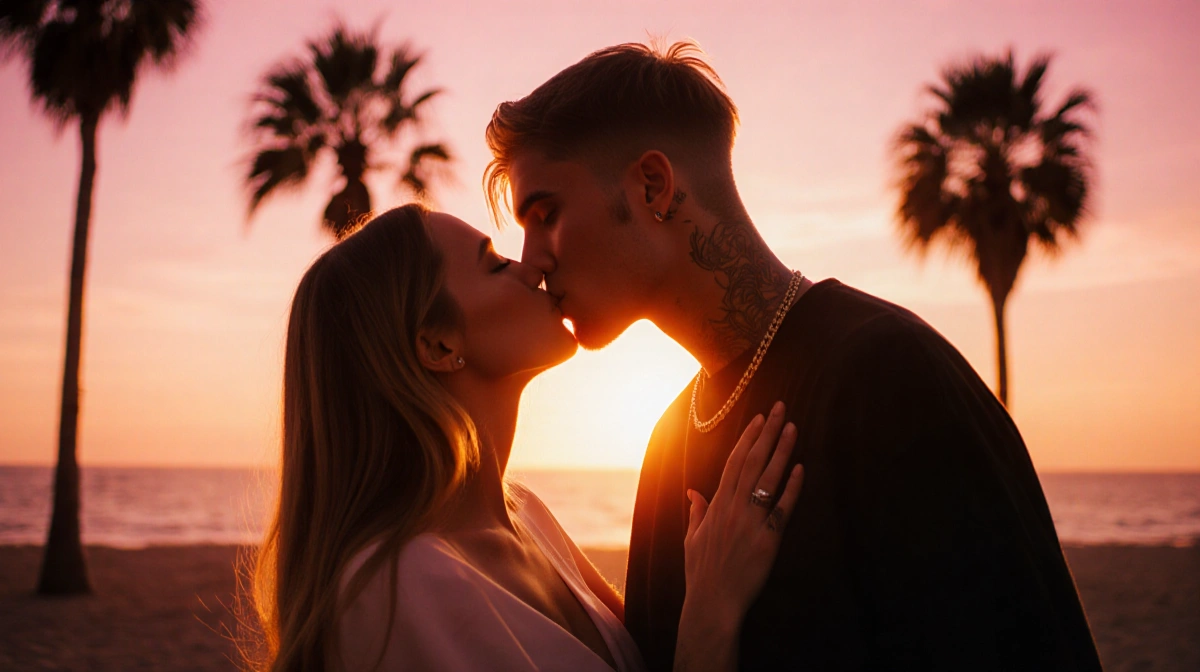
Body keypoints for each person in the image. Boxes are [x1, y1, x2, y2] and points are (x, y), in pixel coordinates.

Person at [484, 41, 1104, 670]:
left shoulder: (891, 375)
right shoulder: (667, 445)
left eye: (546, 214)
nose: (532, 260)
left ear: (653, 186)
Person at [245, 204, 805, 671]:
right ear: (438, 345)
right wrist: (710, 620)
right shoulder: (394, 586)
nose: (531, 268)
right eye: (494, 265)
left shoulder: (528, 517)